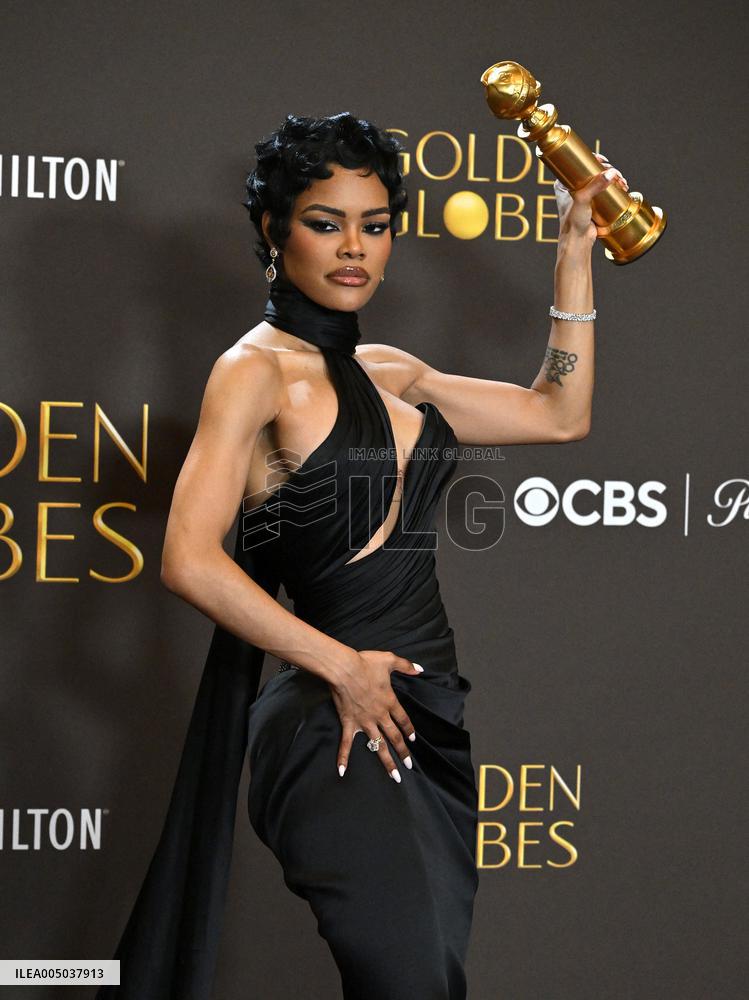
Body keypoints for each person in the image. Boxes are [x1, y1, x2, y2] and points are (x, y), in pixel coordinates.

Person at [98, 113, 627, 1000]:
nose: (354, 248)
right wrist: (339, 666)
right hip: (331, 727)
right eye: (325, 221)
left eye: (374, 225)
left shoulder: (392, 370)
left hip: (429, 722)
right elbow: (189, 559)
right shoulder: (253, 371)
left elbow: (557, 414)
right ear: (274, 232)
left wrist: (574, 245)